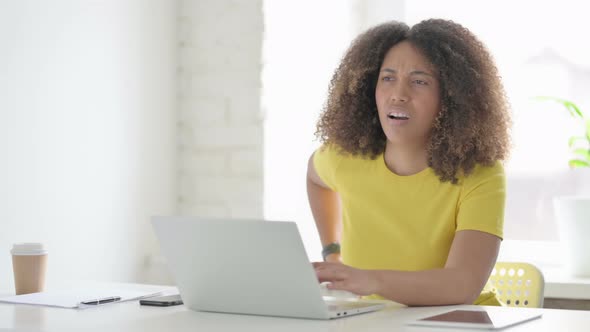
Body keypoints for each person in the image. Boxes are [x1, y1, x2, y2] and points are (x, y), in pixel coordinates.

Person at [307, 19, 511, 306]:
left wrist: (369, 279)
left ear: (451, 97)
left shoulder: (480, 174)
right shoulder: (344, 159)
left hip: (460, 323)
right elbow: (315, 178)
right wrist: (332, 250)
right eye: (387, 78)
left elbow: (462, 285)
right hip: (376, 322)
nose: (399, 94)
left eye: (419, 81)